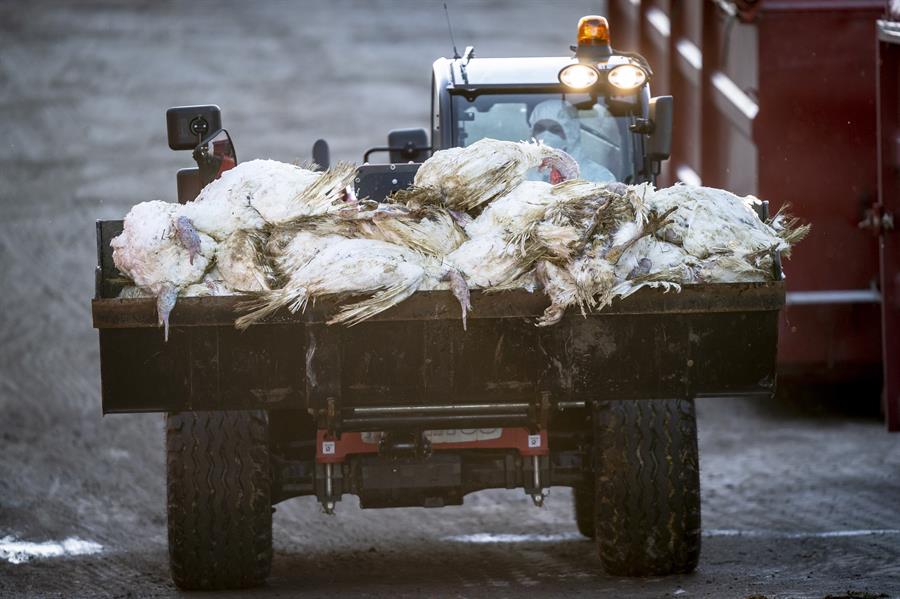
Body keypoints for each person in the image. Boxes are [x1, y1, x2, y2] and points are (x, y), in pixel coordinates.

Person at [529, 99, 616, 183]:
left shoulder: (599, 177)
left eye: (555, 130)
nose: (546, 136)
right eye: (540, 129)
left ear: (571, 134)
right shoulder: (522, 175)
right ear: (532, 133)